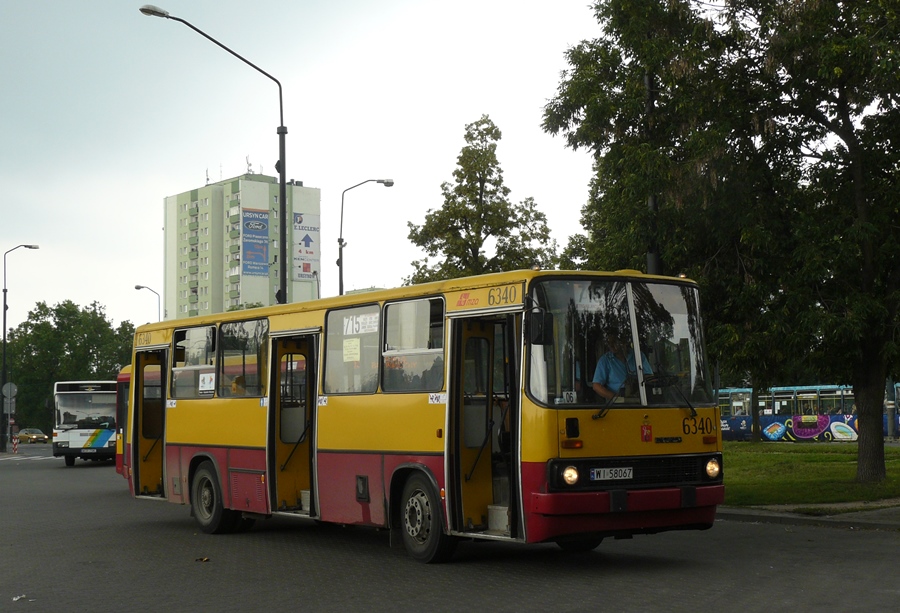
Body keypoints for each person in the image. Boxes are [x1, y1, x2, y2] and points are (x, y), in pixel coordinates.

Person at [591, 331, 652, 400]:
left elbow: (649, 377)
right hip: (615, 404)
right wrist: (616, 398)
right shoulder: (605, 360)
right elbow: (596, 386)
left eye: (614, 342)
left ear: (624, 342)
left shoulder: (638, 356)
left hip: (640, 399)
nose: (611, 345)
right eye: (608, 343)